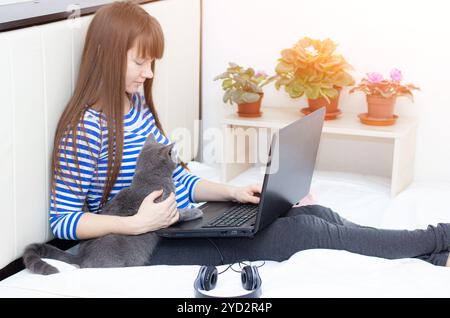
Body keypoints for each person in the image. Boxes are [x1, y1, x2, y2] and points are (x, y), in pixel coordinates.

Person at [50, 1, 450, 268]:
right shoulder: (84, 129)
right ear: (107, 55)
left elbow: (179, 178)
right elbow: (63, 222)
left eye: (151, 62)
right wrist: (135, 224)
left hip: (169, 223)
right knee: (306, 231)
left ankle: (433, 257)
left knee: (316, 214)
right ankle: (437, 239)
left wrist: (230, 192)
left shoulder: (135, 108)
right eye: (141, 62)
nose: (149, 74)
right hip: (139, 245)